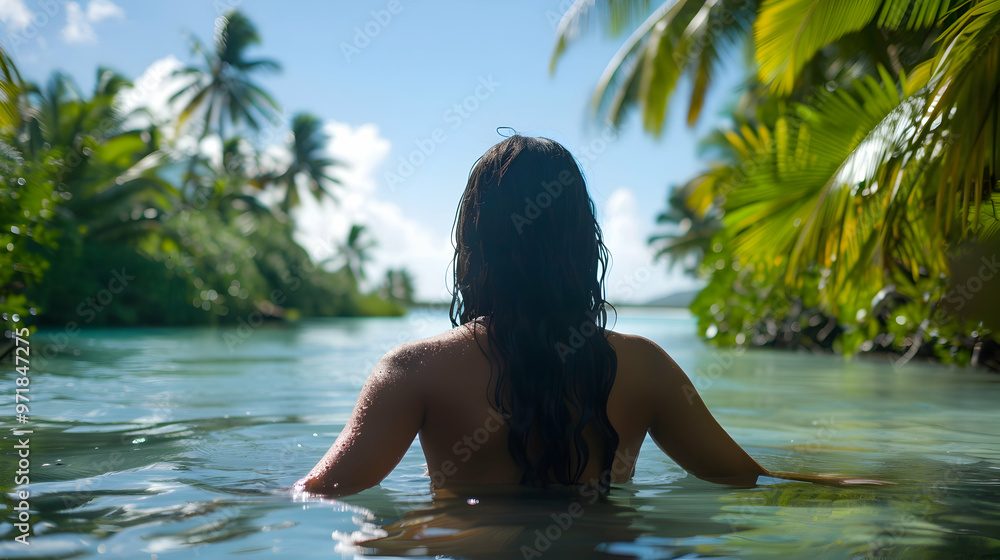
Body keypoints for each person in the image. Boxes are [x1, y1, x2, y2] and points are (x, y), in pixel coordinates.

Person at [295, 134, 889, 497]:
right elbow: (743, 476)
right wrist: (854, 484)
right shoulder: (645, 367)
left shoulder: (414, 371)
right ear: (584, 244)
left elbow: (319, 494)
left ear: (474, 246)